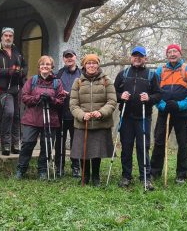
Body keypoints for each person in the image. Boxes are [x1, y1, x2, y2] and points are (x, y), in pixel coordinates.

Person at [150, 44, 187, 184]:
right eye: (170, 52)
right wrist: (162, 105)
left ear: (180, 53)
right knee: (159, 142)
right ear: (167, 55)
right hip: (164, 112)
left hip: (182, 114)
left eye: (175, 51)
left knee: (183, 144)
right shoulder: (160, 71)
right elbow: (154, 92)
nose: (172, 54)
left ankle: (181, 175)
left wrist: (179, 105)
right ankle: (154, 172)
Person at [113, 46, 161, 190]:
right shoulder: (123, 74)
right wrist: (120, 96)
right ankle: (126, 176)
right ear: (131, 57)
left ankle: (145, 177)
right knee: (126, 147)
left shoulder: (151, 75)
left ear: (145, 58)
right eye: (135, 56)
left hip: (143, 117)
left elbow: (158, 95)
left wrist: (149, 97)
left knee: (143, 147)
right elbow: (113, 93)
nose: (137, 58)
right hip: (126, 117)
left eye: (140, 56)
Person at [70, 54, 117, 187]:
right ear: (84, 65)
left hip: (100, 122)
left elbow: (112, 101)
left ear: (98, 65)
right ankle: (85, 176)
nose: (91, 65)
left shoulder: (106, 81)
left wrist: (101, 112)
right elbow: (73, 104)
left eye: (94, 63)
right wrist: (81, 115)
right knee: (82, 151)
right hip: (82, 123)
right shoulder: (78, 82)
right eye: (88, 63)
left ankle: (96, 177)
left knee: (97, 151)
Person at [15, 56, 65, 180]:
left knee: (47, 145)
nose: (45, 66)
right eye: (42, 64)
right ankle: (21, 169)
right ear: (39, 66)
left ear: (51, 67)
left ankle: (42, 170)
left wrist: (51, 99)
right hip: (32, 119)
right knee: (27, 144)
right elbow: (24, 97)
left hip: (50, 120)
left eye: (48, 64)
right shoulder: (32, 80)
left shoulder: (56, 82)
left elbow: (61, 100)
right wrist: (37, 98)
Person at [0, 27, 27, 155]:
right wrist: (8, 71)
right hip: (4, 89)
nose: (8, 38)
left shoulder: (17, 50)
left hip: (17, 87)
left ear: (13, 37)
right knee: (9, 113)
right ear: (1, 37)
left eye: (10, 36)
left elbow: (25, 66)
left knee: (17, 116)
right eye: (6, 35)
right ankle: (5, 144)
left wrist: (21, 72)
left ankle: (16, 144)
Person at [54, 49, 82, 178]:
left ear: (75, 57)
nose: (69, 59)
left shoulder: (82, 74)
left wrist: (71, 95)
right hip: (61, 113)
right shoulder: (58, 73)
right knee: (60, 141)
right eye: (66, 57)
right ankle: (59, 167)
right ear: (63, 59)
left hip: (76, 114)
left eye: (71, 56)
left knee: (75, 142)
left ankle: (76, 167)